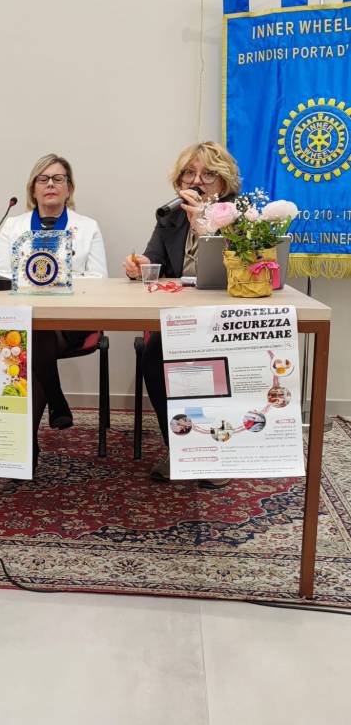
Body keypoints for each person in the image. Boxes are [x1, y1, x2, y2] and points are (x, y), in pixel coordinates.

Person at [123, 141, 241, 489]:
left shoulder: (239, 215)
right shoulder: (170, 216)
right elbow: (155, 262)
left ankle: (216, 454)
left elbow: (241, 268)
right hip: (182, 319)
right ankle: (180, 447)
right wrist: (140, 266)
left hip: (225, 318)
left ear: (223, 182)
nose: (197, 180)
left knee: (212, 361)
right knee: (153, 356)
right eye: (189, 173)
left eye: (208, 174)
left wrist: (205, 226)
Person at [0, 153, 108, 465]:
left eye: (58, 179)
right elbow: (2, 275)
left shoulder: (87, 227)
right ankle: (55, 401)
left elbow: (99, 279)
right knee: (34, 331)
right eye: (43, 179)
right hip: (23, 318)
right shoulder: (13, 226)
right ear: (33, 188)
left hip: (74, 319)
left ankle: (26, 445)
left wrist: (57, 281)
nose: (50, 185)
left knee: (33, 337)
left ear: (69, 188)